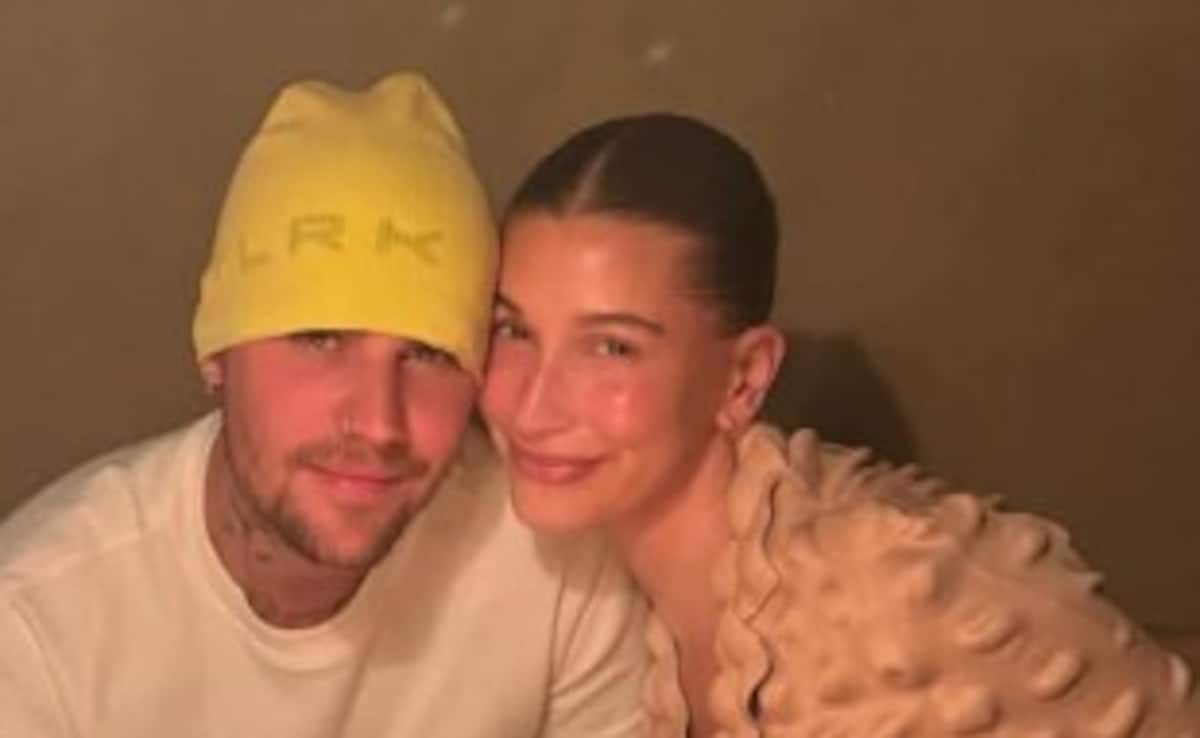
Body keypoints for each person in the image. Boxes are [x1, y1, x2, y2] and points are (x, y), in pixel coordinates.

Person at [481, 113, 1200, 736]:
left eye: (612, 348)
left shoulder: (893, 589)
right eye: (513, 331)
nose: (531, 406)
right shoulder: (606, 589)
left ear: (744, 378)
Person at [0, 74, 646, 737]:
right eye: (319, 338)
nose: (378, 423)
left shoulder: (555, 570)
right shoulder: (38, 629)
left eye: (428, 354)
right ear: (216, 354)